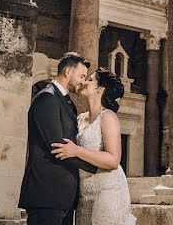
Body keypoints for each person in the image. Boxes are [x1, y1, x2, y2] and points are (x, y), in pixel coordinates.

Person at [19, 52, 98, 225]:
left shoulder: (68, 103)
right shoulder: (47, 98)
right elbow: (59, 147)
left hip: (63, 197)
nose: (83, 81)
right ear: (68, 72)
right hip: (46, 195)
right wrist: (95, 167)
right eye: (82, 76)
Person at [51, 67, 137, 225]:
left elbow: (113, 160)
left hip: (108, 191)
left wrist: (76, 150)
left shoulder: (108, 117)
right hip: (85, 193)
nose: (84, 82)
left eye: (89, 79)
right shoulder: (80, 118)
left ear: (100, 89)